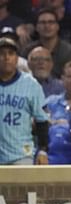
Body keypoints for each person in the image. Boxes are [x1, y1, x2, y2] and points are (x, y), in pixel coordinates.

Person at [0, 37, 49, 165]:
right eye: (2, 54)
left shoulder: (31, 84)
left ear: (17, 58)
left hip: (21, 154)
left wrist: (43, 150)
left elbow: (42, 120)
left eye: (11, 54)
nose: (6, 58)